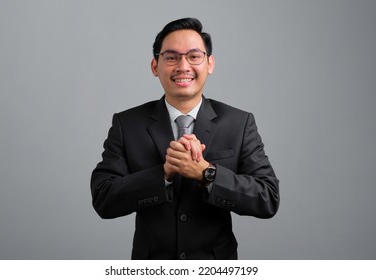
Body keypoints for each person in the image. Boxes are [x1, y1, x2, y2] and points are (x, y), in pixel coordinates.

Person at [90, 17, 279, 260]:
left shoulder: (239, 123)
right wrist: (163, 174)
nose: (183, 66)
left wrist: (207, 173)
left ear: (210, 63)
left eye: (194, 56)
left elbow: (268, 198)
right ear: (155, 66)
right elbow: (104, 198)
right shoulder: (127, 124)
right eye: (171, 57)